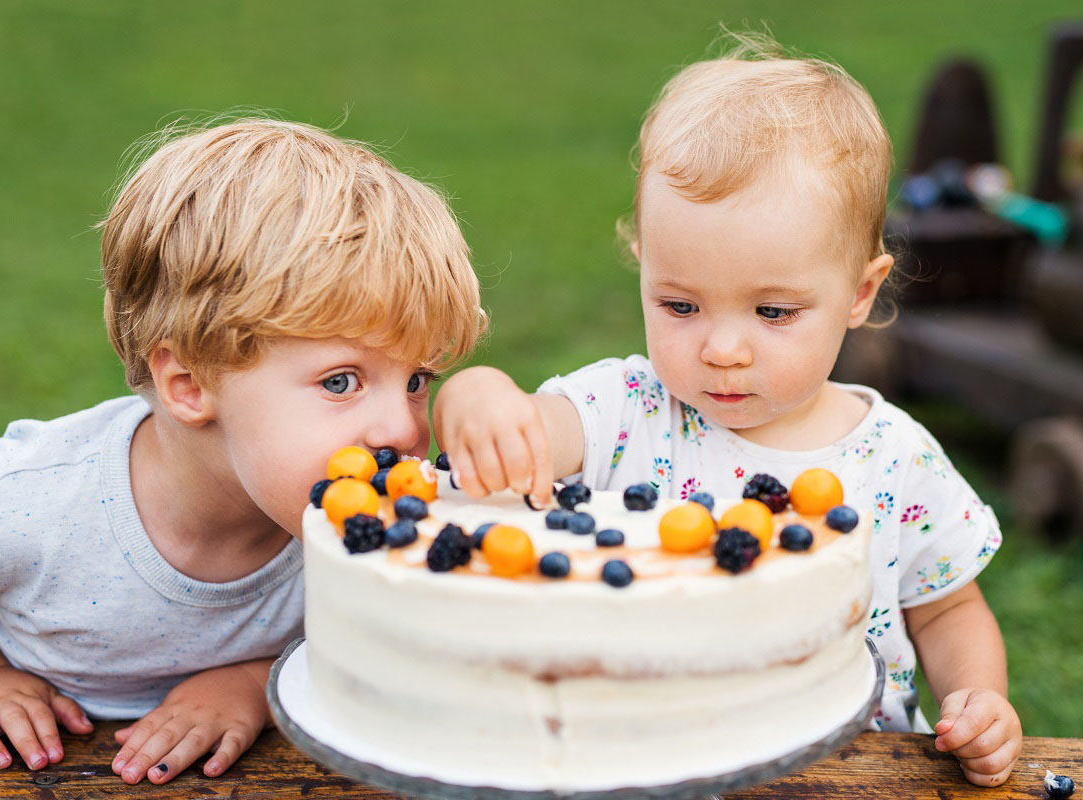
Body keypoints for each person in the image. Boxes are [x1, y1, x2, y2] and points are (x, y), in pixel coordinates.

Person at [433, 35, 1021, 787]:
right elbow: (528, 429)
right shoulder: (628, 410)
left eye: (773, 312)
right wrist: (480, 394)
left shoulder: (895, 457)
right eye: (680, 305)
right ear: (644, 266)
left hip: (849, 769)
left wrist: (980, 698)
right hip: (643, 762)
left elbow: (945, 610)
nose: (722, 350)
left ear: (860, 293)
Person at [0, 118, 484, 785]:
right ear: (190, 386)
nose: (401, 429)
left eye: (417, 380)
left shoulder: (375, 525)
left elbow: (394, 646)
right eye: (341, 382)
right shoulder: (36, 504)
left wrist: (254, 683)